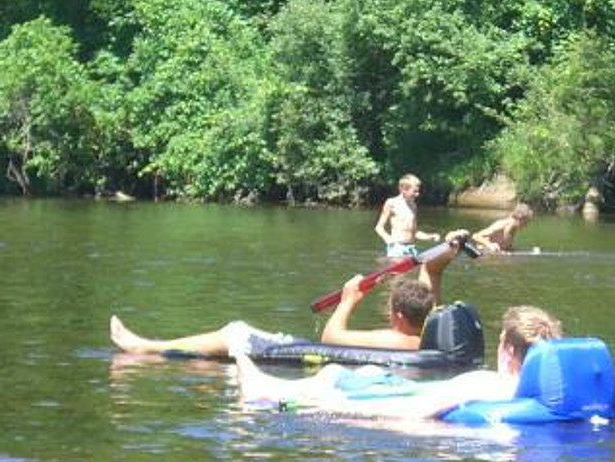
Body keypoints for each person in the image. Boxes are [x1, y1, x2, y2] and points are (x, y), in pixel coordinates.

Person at [110, 233, 466, 358]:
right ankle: (154, 349)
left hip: (303, 355)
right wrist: (448, 250)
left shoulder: (396, 341)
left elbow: (331, 339)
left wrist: (347, 301)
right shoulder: (428, 334)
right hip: (315, 356)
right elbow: (432, 273)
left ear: (399, 316)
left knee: (235, 331)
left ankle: (145, 348)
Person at [234, 306, 564, 419]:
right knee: (366, 371)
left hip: (397, 395)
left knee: (334, 374)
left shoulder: (487, 384)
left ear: (508, 350)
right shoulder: (555, 394)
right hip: (406, 388)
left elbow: (414, 411)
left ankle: (260, 388)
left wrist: (334, 409)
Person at [375, 174, 439, 257]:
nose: (417, 194)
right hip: (397, 248)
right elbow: (379, 227)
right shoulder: (391, 203)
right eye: (414, 191)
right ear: (403, 190)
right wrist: (388, 239)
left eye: (418, 191)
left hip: (411, 248)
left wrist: (430, 236)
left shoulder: (413, 206)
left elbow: (414, 232)